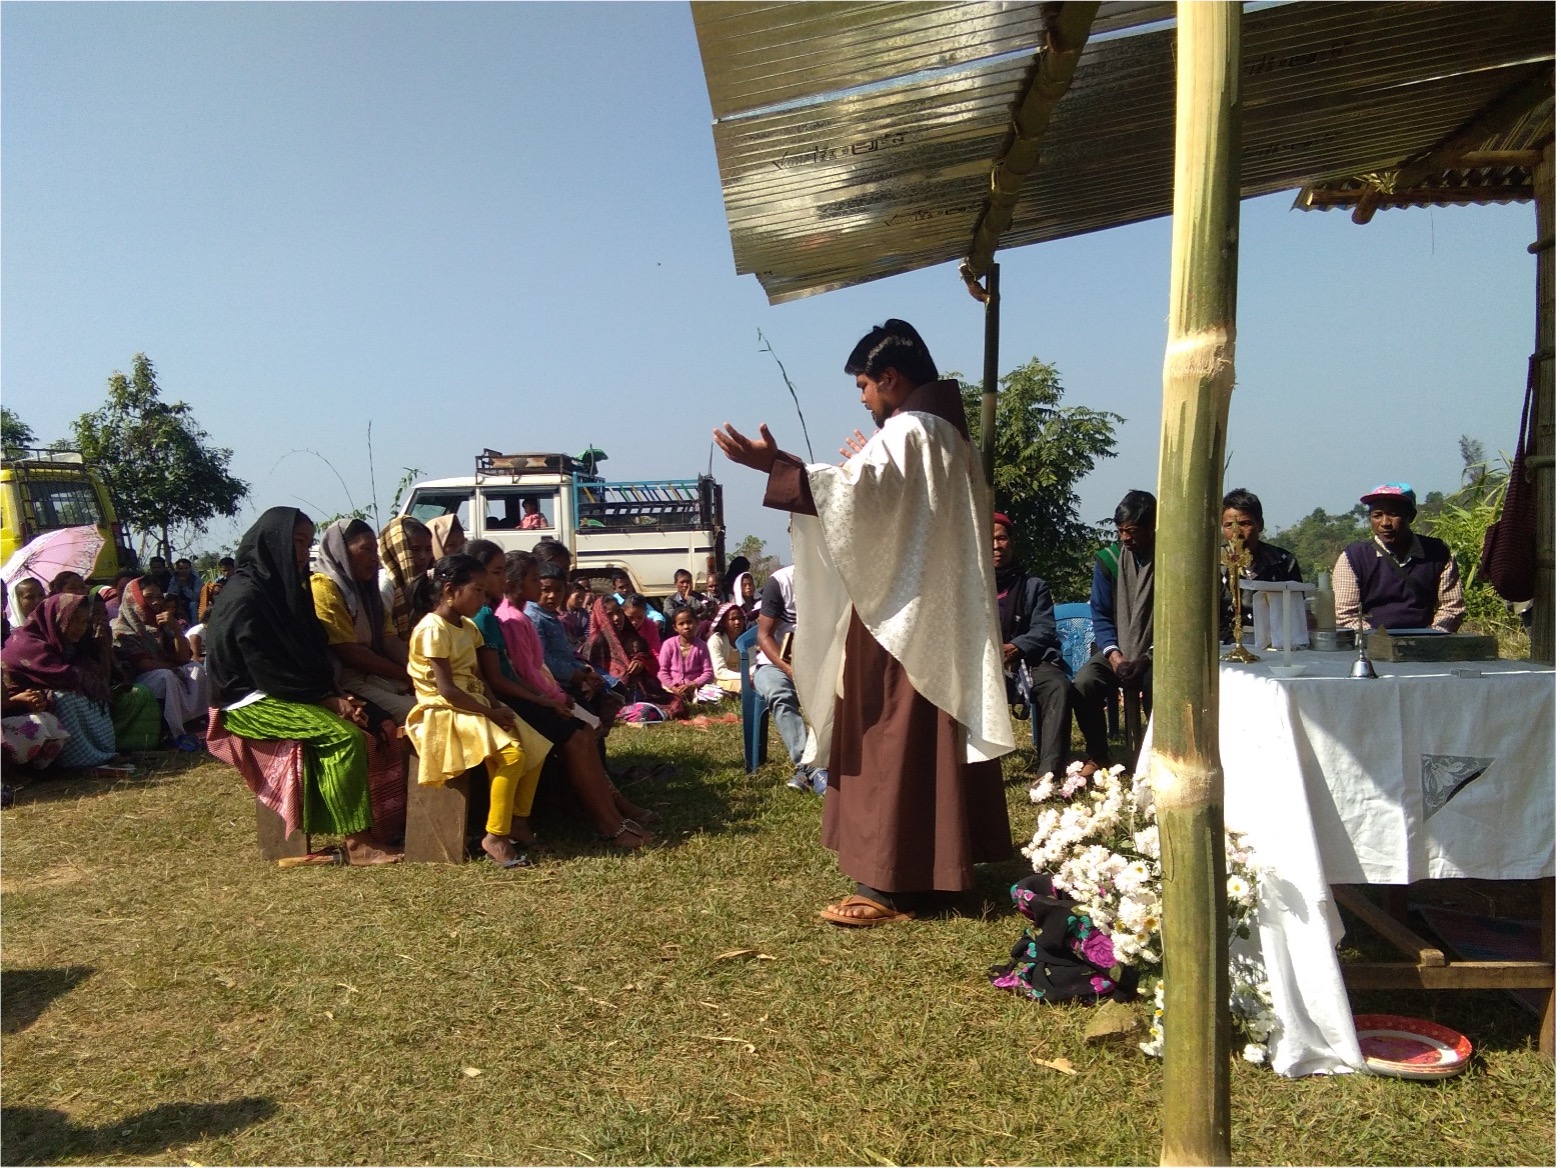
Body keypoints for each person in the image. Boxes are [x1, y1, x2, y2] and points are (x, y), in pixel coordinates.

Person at [715, 318, 1014, 926]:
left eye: (863, 385)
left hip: (898, 623)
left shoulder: (912, 431)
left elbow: (851, 498)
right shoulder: (951, 437)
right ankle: (935, 871)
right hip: (936, 616)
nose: (861, 398)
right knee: (923, 742)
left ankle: (887, 886)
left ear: (892, 378)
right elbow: (879, 503)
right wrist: (847, 475)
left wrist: (777, 465)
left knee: (887, 740)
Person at [204, 506, 400, 865]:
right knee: (343, 737)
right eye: (296, 542)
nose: (301, 551)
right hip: (248, 702)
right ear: (272, 542)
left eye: (307, 543)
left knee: (377, 725)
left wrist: (337, 694)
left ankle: (385, 825)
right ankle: (358, 844)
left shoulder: (288, 589)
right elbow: (263, 668)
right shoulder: (246, 595)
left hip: (289, 691)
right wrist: (325, 699)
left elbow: (309, 653)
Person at [486, 550, 654, 846]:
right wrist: (553, 699)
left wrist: (558, 695)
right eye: (535, 579)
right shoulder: (511, 619)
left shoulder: (520, 615)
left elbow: (537, 668)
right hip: (525, 700)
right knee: (577, 738)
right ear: (515, 582)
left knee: (585, 733)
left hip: (542, 695)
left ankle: (614, 817)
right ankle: (609, 824)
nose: (541, 586)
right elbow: (525, 673)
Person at [404, 554, 552, 868]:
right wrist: (489, 714)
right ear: (449, 590)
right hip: (442, 709)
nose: (483, 599)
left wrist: (498, 706)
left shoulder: (468, 627)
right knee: (511, 755)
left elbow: (479, 677)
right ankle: (495, 835)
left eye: (485, 592)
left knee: (535, 749)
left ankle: (518, 821)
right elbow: (446, 689)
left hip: (474, 704)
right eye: (477, 591)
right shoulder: (433, 628)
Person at [1071, 490, 1156, 772]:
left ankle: (1156, 756)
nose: (1124, 538)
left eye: (1131, 531)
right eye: (1120, 531)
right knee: (1084, 683)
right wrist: (1115, 656)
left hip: (1157, 654)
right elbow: (1101, 613)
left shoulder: (1171, 561)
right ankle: (1098, 754)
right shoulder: (1108, 560)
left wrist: (1146, 658)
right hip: (1116, 651)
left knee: (1155, 686)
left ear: (1152, 526)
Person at [992, 512, 1073, 783]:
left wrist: (1016, 647)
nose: (996, 546)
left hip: (1028, 662)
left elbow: (1044, 628)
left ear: (1012, 543)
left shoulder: (1033, 586)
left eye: (1002, 538)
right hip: (983, 665)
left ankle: (1048, 771)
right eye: (989, 540)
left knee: (1057, 687)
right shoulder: (972, 587)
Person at [1, 593, 121, 769]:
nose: (80, 628)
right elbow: (69, 678)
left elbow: (100, 682)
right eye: (74, 620)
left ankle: (103, 754)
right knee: (65, 699)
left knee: (90, 697)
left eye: (84, 622)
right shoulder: (26, 644)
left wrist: (103, 649)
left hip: (36, 703)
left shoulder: (67, 646)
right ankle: (78, 761)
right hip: (16, 709)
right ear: (55, 617)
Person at [311, 518, 414, 722]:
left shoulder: (368, 591)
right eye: (366, 549)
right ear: (342, 550)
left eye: (375, 551)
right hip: (344, 681)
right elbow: (351, 653)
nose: (374, 558)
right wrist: (406, 675)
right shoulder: (324, 588)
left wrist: (415, 670)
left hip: (375, 674)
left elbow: (389, 638)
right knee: (419, 712)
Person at [1333, 482, 1465, 633]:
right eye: (1377, 515)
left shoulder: (1438, 553)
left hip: (1427, 641)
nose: (1385, 523)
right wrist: (1381, 641)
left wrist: (1432, 637)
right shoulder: (1353, 557)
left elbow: (1452, 608)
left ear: (1411, 516)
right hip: (1373, 644)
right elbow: (1345, 615)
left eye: (1393, 514)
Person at [749, 565, 823, 794]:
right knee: (780, 693)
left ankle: (816, 767)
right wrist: (788, 669)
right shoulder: (780, 582)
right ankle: (809, 766)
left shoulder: (833, 579)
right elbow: (764, 635)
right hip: (776, 666)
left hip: (820, 664)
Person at [111, 577, 208, 750]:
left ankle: (198, 725)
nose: (156, 602)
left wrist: (177, 630)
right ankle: (174, 732)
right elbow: (144, 665)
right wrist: (173, 667)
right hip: (139, 681)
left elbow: (184, 658)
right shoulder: (123, 630)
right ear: (134, 599)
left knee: (196, 669)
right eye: (148, 597)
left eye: (159, 596)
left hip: (168, 670)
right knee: (166, 677)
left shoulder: (162, 624)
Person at [1218, 488, 1303, 642]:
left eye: (1245, 524)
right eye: (1229, 525)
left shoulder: (1283, 561)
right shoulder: (1214, 565)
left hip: (1275, 642)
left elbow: (1296, 611)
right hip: (1225, 644)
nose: (1237, 533)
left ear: (1260, 524)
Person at [584, 594, 680, 714]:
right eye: (610, 614)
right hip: (611, 693)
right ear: (601, 617)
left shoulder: (633, 638)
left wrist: (640, 662)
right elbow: (590, 670)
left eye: (618, 612)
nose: (616, 618)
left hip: (639, 690)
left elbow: (649, 659)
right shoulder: (595, 642)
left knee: (675, 704)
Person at [378, 516, 436, 644]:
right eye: (414, 550)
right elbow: (385, 638)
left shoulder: (429, 582)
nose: (423, 557)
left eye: (428, 549)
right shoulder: (386, 585)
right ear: (397, 549)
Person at [658, 606, 714, 711]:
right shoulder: (669, 644)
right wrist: (674, 687)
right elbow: (662, 672)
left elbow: (708, 672)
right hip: (672, 687)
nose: (686, 627)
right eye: (681, 624)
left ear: (697, 623)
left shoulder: (701, 646)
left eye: (689, 622)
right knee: (665, 697)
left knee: (713, 695)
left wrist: (693, 684)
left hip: (695, 687)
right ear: (675, 627)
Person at [706, 602, 747, 695]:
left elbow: (752, 664)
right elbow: (719, 671)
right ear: (723, 622)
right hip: (722, 680)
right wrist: (745, 677)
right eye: (733, 619)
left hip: (746, 678)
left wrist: (751, 676)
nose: (737, 622)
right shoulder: (716, 640)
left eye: (740, 618)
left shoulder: (747, 639)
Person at [166, 558, 202, 624]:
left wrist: (185, 587)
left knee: (193, 605)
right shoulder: (174, 579)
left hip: (191, 602)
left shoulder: (196, 579)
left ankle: (194, 626)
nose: (183, 571)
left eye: (186, 568)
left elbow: (195, 597)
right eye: (181, 568)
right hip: (178, 601)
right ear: (177, 569)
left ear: (190, 568)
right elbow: (170, 594)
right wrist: (178, 586)